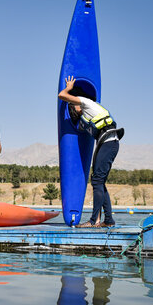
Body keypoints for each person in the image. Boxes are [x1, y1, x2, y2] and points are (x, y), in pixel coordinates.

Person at [58, 76, 124, 228]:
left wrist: (68, 88)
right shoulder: (87, 115)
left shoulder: (86, 102)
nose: (72, 108)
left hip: (109, 142)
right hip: (105, 142)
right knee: (99, 181)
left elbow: (62, 95)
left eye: (72, 105)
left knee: (97, 181)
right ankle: (108, 220)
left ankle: (94, 220)